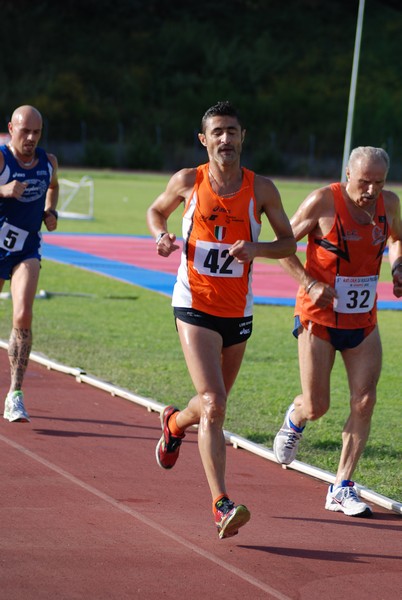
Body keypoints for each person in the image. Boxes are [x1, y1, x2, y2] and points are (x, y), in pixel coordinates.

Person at [147, 100, 296, 538]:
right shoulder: (187, 181)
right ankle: (220, 504)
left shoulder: (262, 189)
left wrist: (257, 249)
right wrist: (161, 235)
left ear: (243, 136)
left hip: (238, 309)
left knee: (212, 405)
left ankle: (174, 424)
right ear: (204, 139)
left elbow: (288, 243)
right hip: (193, 302)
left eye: (232, 131)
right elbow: (157, 211)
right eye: (217, 132)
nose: (225, 139)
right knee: (213, 403)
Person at [273, 146, 402, 517]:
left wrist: (397, 268)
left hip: (363, 320)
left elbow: (396, 238)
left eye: (379, 182)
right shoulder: (322, 202)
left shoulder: (388, 204)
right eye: (364, 182)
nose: (371, 191)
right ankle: (295, 418)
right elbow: (283, 246)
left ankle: (342, 485)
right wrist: (309, 283)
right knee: (317, 405)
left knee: (364, 400)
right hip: (319, 317)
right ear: (348, 174)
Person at [1, 105, 59, 423]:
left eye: (37, 132)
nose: (31, 138)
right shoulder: (1, 159)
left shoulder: (48, 162)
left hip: (26, 249)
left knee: (22, 314)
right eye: (25, 131)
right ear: (12, 128)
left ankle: (15, 394)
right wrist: (3, 190)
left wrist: (51, 212)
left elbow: (53, 187)